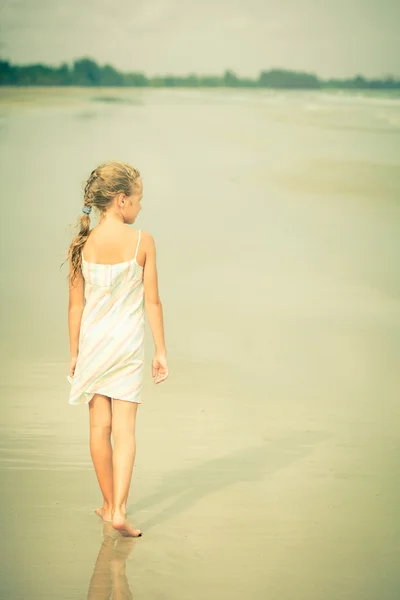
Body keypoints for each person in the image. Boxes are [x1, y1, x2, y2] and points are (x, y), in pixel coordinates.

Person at [66, 161, 168, 538]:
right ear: (122, 200)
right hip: (126, 345)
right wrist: (160, 350)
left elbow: (76, 306)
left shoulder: (82, 244)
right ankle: (121, 509)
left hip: (93, 344)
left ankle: (108, 506)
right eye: (138, 200)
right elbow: (152, 302)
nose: (140, 208)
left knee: (99, 427)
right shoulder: (143, 241)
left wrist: (75, 352)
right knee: (125, 430)